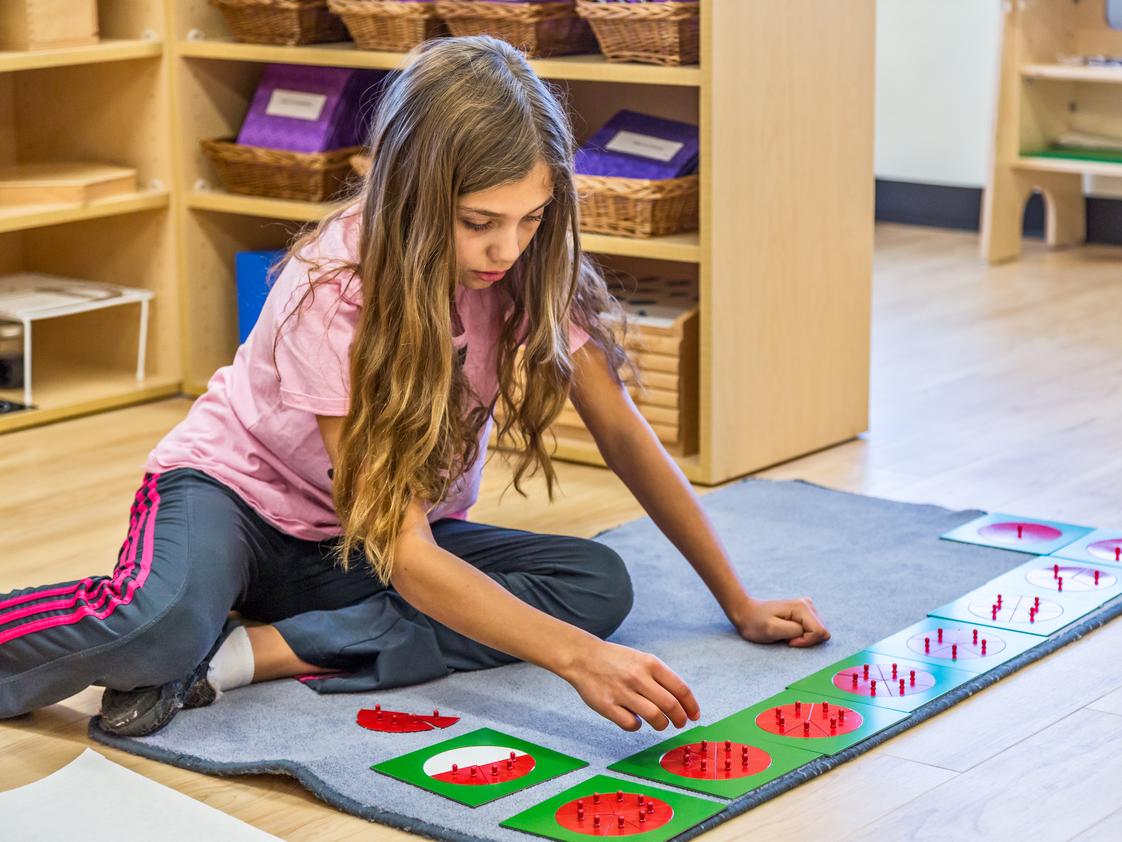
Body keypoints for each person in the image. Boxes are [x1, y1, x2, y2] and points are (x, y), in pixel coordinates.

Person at [0, 36, 828, 738]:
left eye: (532, 217)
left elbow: (622, 435)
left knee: (595, 586)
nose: (508, 248)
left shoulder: (531, 269)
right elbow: (406, 556)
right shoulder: (334, 288)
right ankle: (196, 634)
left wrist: (740, 600)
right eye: (480, 222)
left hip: (361, 548)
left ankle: (241, 654)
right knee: (152, 624)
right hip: (237, 501)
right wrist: (577, 660)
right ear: (413, 192)